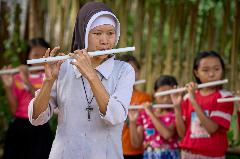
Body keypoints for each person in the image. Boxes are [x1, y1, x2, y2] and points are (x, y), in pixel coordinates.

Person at [28, 2, 135, 159]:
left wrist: (91, 75)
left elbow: (116, 116)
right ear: (83, 34)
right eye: (97, 34)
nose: (105, 41)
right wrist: (48, 81)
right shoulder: (63, 68)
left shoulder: (124, 71)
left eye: (110, 33)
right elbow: (36, 118)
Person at [173, 51, 234, 158]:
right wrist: (177, 107)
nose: (211, 74)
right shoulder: (187, 98)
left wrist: (194, 101)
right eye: (205, 70)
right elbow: (182, 134)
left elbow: (212, 128)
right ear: (196, 73)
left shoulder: (225, 97)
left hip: (212, 155)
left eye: (216, 69)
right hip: (187, 154)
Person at [1, 38, 53, 159]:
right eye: (35, 55)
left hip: (40, 127)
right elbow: (14, 110)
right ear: (28, 55)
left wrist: (27, 82)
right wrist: (8, 87)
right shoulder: (17, 76)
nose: (39, 59)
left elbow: (46, 102)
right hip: (19, 127)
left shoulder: (50, 77)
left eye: (43, 55)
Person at [129, 75, 180, 159]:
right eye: (163, 94)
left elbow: (167, 134)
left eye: (170, 94)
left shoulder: (175, 114)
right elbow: (136, 144)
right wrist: (132, 122)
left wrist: (151, 113)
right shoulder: (144, 114)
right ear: (154, 93)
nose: (166, 99)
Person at [119, 54, 151, 159]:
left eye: (134, 71)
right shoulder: (108, 96)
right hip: (112, 150)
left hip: (134, 152)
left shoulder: (144, 98)